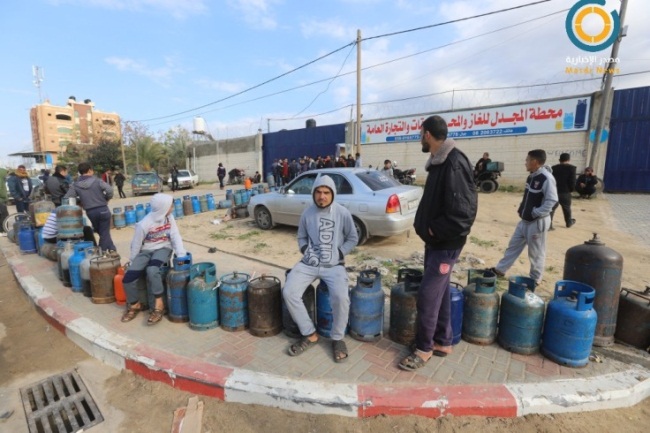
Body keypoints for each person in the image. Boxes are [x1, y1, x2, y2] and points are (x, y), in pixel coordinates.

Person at [398, 115, 478, 371]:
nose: (420, 137)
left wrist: (434, 230)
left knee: (428, 295)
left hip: (445, 242)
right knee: (440, 291)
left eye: (421, 133)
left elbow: (464, 212)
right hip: (437, 241)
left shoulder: (453, 163)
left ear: (427, 134)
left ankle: (424, 349)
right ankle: (443, 342)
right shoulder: (439, 161)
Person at [283, 175, 358, 363]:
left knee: (341, 298)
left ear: (332, 194)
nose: (322, 196)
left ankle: (338, 338)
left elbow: (353, 238)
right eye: (318, 192)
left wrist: (340, 253)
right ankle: (310, 334)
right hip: (309, 263)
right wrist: (306, 251)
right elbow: (301, 238)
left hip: (334, 265)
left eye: (326, 192)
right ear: (313, 193)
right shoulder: (307, 214)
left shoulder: (342, 213)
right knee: (289, 292)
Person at [489, 149, 558, 285]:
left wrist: (536, 212)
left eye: (527, 160)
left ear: (535, 162)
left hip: (537, 222)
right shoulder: (532, 176)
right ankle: (500, 270)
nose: (525, 163)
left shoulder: (546, 178)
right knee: (513, 246)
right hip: (524, 221)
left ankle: (535, 279)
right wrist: (522, 209)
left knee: (536, 253)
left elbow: (552, 200)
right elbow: (527, 196)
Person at [120, 193, 187, 326]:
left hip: (163, 249)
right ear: (163, 208)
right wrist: (133, 261)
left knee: (152, 270)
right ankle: (135, 304)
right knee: (128, 278)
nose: (173, 208)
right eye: (171, 206)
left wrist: (181, 255)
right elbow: (136, 244)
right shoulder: (144, 224)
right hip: (145, 251)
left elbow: (175, 236)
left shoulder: (169, 218)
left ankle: (159, 304)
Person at [64, 162, 116, 252]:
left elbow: (67, 198)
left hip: (90, 212)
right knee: (104, 233)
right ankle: (102, 252)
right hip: (103, 209)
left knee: (102, 233)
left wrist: (80, 201)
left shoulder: (75, 185)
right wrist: (106, 199)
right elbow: (109, 190)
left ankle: (112, 249)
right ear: (90, 170)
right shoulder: (97, 181)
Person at [550, 153, 576, 230]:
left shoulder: (554, 168)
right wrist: (571, 190)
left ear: (559, 160)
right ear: (569, 160)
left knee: (551, 209)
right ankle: (568, 222)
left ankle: (549, 225)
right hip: (565, 191)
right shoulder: (572, 168)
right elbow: (572, 181)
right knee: (566, 208)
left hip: (554, 191)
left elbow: (551, 180)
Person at [0, 166, 8, 236]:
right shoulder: (0, 180)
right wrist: (4, 196)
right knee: (4, 215)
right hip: (1, 200)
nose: (6, 175)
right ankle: (3, 231)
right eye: (5, 174)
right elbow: (1, 191)